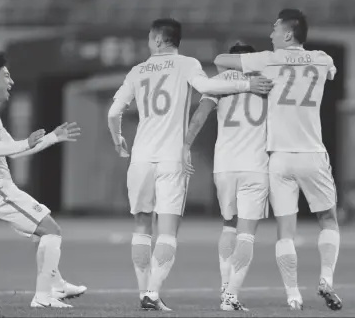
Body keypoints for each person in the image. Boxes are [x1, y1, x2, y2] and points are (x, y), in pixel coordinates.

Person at [107, 18, 274, 311]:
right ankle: (154, 292)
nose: (148, 42)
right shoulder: (187, 64)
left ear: (158, 40)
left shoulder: (137, 70)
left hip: (141, 156)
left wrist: (118, 138)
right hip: (172, 156)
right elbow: (206, 86)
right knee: (169, 230)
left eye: (149, 38)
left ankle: (143, 292)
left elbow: (113, 112)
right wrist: (248, 82)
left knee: (142, 224)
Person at [214, 9, 342, 311]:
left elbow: (221, 60)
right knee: (328, 220)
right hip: (312, 153)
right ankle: (326, 279)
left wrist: (246, 74)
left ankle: (293, 295)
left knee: (286, 229)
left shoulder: (267, 60)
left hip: (278, 157)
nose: (271, 35)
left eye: (274, 29)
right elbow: (332, 70)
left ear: (287, 34)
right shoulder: (322, 59)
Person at [0, 52, 86, 309]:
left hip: (2, 189)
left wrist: (52, 137)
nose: (11, 82)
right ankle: (43, 298)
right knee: (52, 230)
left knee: (43, 233)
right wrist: (24, 142)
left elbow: (14, 148)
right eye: (6, 76)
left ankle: (58, 286)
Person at [183, 41, 269, 311]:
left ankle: (224, 285)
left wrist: (185, 145)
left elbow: (199, 116)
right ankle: (231, 296)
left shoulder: (218, 81)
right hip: (254, 164)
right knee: (247, 233)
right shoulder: (266, 81)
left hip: (224, 166)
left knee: (229, 224)